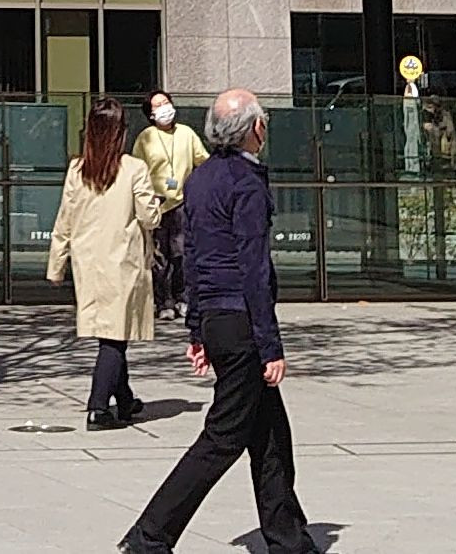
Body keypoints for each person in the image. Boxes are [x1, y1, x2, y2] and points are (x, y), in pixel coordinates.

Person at [119, 90, 312, 554]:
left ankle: (288, 538)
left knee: (270, 434)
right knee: (222, 437)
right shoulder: (246, 184)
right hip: (242, 323)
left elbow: (196, 258)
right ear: (254, 129)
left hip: (218, 320)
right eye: (263, 119)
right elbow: (254, 269)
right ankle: (150, 535)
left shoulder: (201, 179)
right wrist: (271, 346)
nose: (265, 126)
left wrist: (197, 327)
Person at [46, 97, 163, 430]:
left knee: (111, 332)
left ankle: (124, 400)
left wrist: (57, 265)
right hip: (122, 263)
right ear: (120, 132)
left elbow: (65, 220)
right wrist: (157, 204)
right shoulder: (134, 169)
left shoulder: (77, 170)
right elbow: (149, 217)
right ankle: (98, 407)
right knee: (114, 338)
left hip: (89, 264)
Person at [132, 88, 206, 321]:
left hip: (182, 202)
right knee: (159, 256)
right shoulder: (145, 137)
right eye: (158, 105)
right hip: (156, 204)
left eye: (166, 102)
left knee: (181, 253)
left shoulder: (186, 133)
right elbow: (137, 170)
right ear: (150, 113)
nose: (164, 108)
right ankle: (164, 301)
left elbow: (202, 161)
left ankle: (182, 297)